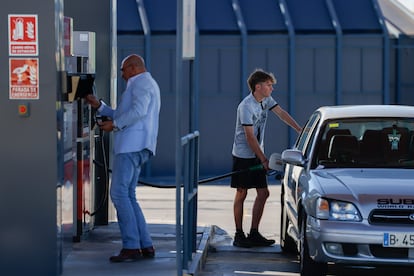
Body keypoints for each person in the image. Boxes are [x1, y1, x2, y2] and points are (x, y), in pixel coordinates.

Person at [85, 54, 161, 262]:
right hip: (136, 145)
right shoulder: (144, 83)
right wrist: (99, 106)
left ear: (134, 68)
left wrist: (115, 125)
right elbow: (122, 113)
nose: (121, 74)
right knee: (128, 195)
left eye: (123, 69)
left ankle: (131, 246)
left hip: (131, 146)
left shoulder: (141, 84)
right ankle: (145, 244)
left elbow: (137, 112)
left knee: (118, 193)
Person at [231, 68, 301, 248]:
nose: (272, 88)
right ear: (258, 87)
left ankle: (254, 233)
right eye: (269, 85)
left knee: (263, 193)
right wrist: (263, 159)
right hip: (244, 155)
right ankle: (239, 235)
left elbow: (281, 113)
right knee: (242, 192)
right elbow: (249, 137)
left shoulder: (266, 100)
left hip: (257, 153)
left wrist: (300, 130)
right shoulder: (246, 106)